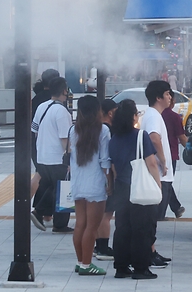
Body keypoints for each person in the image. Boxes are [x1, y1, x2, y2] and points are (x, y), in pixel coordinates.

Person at [109, 99, 162, 280]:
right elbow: (152, 164)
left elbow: (114, 167)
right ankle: (141, 268)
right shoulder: (141, 136)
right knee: (142, 229)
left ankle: (121, 267)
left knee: (122, 228)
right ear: (133, 116)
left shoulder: (114, 138)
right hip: (140, 187)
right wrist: (158, 184)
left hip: (122, 186)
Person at [69, 95, 111, 276]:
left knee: (80, 224)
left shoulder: (74, 130)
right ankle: (87, 264)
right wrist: (109, 182)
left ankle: (80, 261)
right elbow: (105, 161)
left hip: (78, 183)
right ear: (97, 111)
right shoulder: (103, 131)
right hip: (96, 184)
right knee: (92, 228)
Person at [30, 77, 73, 233]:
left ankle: (41, 213)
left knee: (50, 187)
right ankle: (53, 220)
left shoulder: (42, 106)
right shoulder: (62, 111)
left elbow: (34, 130)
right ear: (64, 91)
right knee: (61, 189)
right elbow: (65, 139)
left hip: (42, 156)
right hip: (57, 158)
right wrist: (69, 158)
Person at [141, 80, 174, 269]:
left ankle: (151, 250)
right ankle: (149, 252)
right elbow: (154, 138)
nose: (170, 97)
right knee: (152, 216)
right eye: (167, 94)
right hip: (158, 175)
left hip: (160, 174)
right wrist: (162, 160)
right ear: (158, 97)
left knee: (153, 217)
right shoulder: (153, 115)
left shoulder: (154, 115)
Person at [29, 68, 61, 226]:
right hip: (49, 145)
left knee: (42, 176)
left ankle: (44, 213)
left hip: (36, 142)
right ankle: (35, 210)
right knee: (42, 176)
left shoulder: (36, 99)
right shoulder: (52, 100)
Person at [94, 99, 118, 260]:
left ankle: (98, 246)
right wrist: (111, 180)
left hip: (93, 177)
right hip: (104, 176)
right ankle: (102, 247)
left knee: (99, 213)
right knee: (106, 214)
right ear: (110, 113)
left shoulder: (92, 129)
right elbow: (107, 159)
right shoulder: (107, 131)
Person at [160, 90, 187, 220]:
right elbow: (182, 138)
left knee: (164, 183)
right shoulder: (174, 117)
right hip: (171, 153)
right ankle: (165, 211)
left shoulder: (155, 114)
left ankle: (175, 207)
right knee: (166, 183)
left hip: (156, 153)